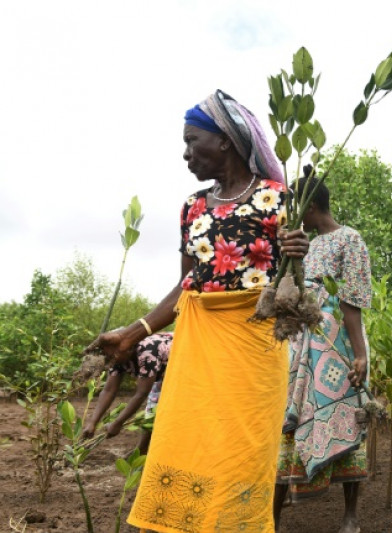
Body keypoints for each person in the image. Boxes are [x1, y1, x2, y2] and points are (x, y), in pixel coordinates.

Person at [87, 90, 289, 533]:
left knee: (243, 447)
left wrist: (301, 255)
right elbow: (186, 285)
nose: (185, 154)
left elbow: (298, 281)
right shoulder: (193, 207)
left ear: (223, 142)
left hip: (255, 344)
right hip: (199, 345)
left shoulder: (279, 198)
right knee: (188, 439)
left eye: (191, 141)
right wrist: (133, 332)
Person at [274, 166, 372, 533]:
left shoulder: (350, 239)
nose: (294, 216)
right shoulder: (303, 245)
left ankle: (350, 516)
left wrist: (358, 354)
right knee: (287, 422)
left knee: (348, 417)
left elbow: (352, 301)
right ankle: (273, 518)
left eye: (298, 207)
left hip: (337, 344)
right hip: (300, 346)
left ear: (312, 205)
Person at [81, 332, 173, 454]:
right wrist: (92, 423)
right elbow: (109, 390)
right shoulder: (116, 358)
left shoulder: (147, 352)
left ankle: (142, 450)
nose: (110, 358)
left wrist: (118, 423)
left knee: (160, 405)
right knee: (153, 406)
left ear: (128, 349)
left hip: (186, 361)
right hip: (163, 372)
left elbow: (142, 393)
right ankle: (142, 450)